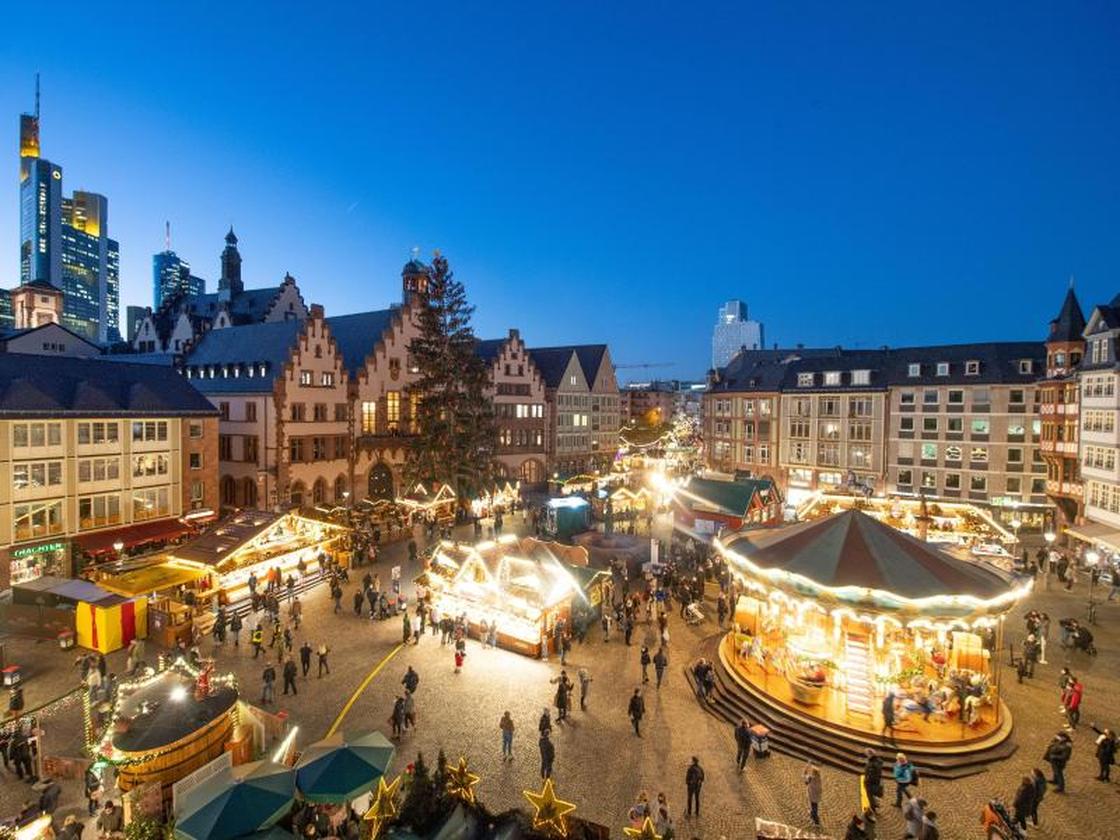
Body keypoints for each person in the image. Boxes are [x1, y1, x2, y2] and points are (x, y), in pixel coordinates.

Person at [803, 761, 822, 826]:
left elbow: (805, 777)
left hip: (812, 793)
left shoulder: (811, 777)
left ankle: (815, 819)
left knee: (813, 805)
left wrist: (807, 766)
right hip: (817, 793)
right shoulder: (818, 777)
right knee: (815, 805)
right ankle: (813, 815)